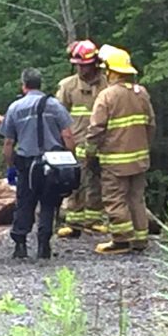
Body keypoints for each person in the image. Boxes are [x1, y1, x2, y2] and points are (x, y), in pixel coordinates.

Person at [0, 68, 76, 260]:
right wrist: (70, 160)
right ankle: (44, 245)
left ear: (23, 85)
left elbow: (8, 142)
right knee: (49, 202)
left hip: (27, 163)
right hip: (52, 163)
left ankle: (20, 244)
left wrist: (10, 166)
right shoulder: (55, 105)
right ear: (40, 84)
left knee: (25, 201)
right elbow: (67, 134)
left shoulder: (15, 107)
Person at [85, 46, 155, 254]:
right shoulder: (142, 93)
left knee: (115, 199)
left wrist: (90, 154)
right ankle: (140, 240)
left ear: (112, 72)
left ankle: (122, 240)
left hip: (114, 161)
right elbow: (151, 125)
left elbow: (95, 129)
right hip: (140, 159)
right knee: (136, 198)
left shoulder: (107, 96)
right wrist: (144, 147)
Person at [55, 40, 108, 238]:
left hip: (102, 143)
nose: (80, 68)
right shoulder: (68, 86)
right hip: (75, 144)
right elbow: (59, 115)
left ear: (94, 63)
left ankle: (94, 220)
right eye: (77, 64)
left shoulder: (107, 84)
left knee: (98, 183)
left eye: (84, 64)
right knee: (75, 183)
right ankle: (74, 223)